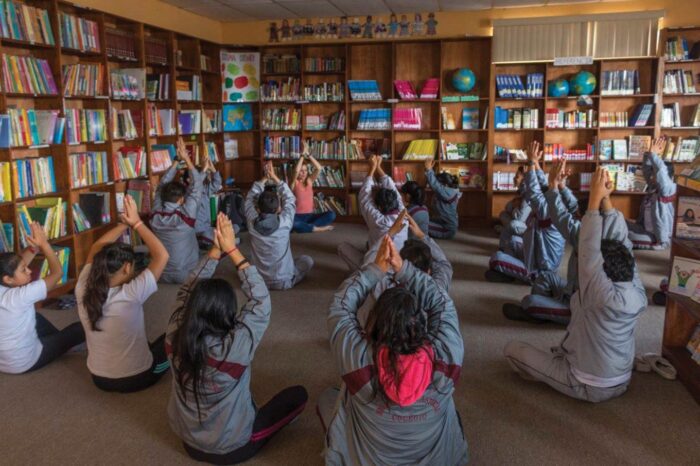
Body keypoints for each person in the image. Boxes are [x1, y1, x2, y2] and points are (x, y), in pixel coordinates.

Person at [166, 213, 307, 465]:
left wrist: (215, 253)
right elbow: (260, 302)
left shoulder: (173, 334)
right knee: (298, 396)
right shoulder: (234, 347)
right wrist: (231, 250)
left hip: (188, 442)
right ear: (228, 314)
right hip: (235, 447)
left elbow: (187, 291)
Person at [318, 235, 468, 465]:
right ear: (421, 324)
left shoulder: (357, 361)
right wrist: (404, 269)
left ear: (375, 324)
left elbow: (340, 306)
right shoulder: (447, 358)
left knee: (330, 399)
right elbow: (442, 303)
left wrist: (376, 270)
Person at [504, 167, 648, 402]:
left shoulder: (595, 288)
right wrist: (605, 199)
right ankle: (564, 356)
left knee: (511, 349)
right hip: (621, 379)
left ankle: (557, 370)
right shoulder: (638, 294)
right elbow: (623, 245)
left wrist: (594, 201)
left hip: (585, 382)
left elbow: (590, 249)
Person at [504, 161, 634, 324]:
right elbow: (574, 209)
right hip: (572, 290)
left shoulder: (584, 236)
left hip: (582, 305)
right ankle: (551, 304)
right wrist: (602, 196)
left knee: (529, 302)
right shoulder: (616, 233)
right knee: (546, 279)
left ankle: (544, 313)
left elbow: (560, 213)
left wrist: (553, 184)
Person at [76, 195, 171, 393]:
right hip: (138, 377)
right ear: (127, 268)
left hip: (99, 378)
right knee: (174, 338)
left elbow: (95, 248)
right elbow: (162, 255)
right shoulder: (131, 293)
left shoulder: (83, 286)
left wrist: (124, 224)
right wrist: (135, 222)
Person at [0, 223, 85, 374]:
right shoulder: (21, 296)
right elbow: (57, 273)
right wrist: (45, 245)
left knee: (36, 316)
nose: (29, 270)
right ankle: (65, 345)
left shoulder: (5, 284)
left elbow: (14, 265)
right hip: (25, 362)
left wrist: (35, 248)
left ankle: (58, 340)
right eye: (23, 270)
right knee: (80, 327)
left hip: (4, 362)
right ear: (8, 279)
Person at [486, 141, 565, 283]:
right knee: (512, 241)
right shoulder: (555, 204)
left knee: (496, 258)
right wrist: (535, 162)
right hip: (535, 255)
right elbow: (543, 186)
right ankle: (511, 272)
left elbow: (534, 191)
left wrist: (530, 162)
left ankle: (520, 275)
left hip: (540, 272)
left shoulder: (547, 210)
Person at [245, 162, 313, 290]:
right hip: (283, 281)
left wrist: (265, 177)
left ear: (258, 209)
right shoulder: (285, 222)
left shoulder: (251, 222)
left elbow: (249, 198)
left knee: (245, 260)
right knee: (307, 260)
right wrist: (274, 176)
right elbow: (290, 198)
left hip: (258, 281)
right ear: (278, 209)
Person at [337, 155, 407, 271]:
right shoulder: (403, 215)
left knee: (342, 247)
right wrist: (378, 167)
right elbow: (393, 189)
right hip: (398, 268)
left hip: (376, 271)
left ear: (378, 207)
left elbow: (364, 195)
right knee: (370, 244)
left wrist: (372, 168)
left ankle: (362, 278)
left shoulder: (377, 219)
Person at [150, 138, 205, 283]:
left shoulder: (155, 214)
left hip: (161, 273)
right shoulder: (186, 216)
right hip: (187, 274)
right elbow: (197, 185)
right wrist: (186, 159)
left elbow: (161, 186)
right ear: (181, 200)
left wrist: (176, 160)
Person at [627, 138, 676, 250]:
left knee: (622, 237)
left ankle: (658, 244)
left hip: (658, 238)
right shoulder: (653, 188)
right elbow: (646, 170)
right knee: (618, 221)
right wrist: (648, 154)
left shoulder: (668, 190)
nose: (653, 178)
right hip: (644, 230)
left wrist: (654, 155)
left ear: (670, 178)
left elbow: (661, 171)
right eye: (653, 175)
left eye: (656, 175)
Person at [291, 144, 335, 234]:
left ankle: (306, 227)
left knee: (331, 215)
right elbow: (296, 170)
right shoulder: (294, 182)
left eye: (305, 170)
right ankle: (316, 228)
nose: (303, 173)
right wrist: (302, 155)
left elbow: (319, 168)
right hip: (297, 216)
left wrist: (308, 154)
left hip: (310, 216)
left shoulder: (310, 181)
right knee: (293, 223)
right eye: (301, 171)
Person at [424, 159, 461, 239]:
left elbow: (435, 185)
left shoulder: (448, 193)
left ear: (445, 185)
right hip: (442, 222)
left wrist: (429, 169)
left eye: (440, 184)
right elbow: (436, 184)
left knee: (420, 224)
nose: (439, 185)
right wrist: (431, 170)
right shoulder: (450, 190)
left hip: (446, 229)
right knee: (423, 219)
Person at [497, 168, 530, 258]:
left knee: (513, 224)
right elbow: (507, 207)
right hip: (520, 221)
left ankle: (503, 248)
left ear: (524, 179)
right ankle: (505, 244)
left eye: (517, 177)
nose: (514, 178)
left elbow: (520, 218)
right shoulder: (520, 192)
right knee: (503, 214)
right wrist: (514, 206)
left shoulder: (527, 194)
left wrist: (514, 207)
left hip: (529, 226)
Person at [193, 157, 223, 248]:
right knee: (209, 235)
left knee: (232, 227)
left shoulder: (206, 190)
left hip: (208, 227)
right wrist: (203, 170)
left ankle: (214, 242)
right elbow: (196, 185)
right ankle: (211, 242)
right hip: (198, 231)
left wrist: (212, 168)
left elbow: (217, 183)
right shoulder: (190, 193)